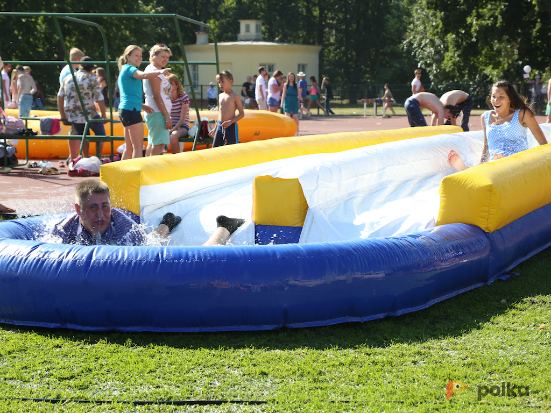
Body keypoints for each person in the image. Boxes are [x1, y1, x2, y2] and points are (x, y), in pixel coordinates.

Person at [51, 180, 244, 246]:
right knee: (154, 237)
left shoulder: (124, 225)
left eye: (105, 206)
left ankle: (224, 228)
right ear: (78, 210)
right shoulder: (63, 228)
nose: (101, 214)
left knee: (156, 242)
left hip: (140, 246)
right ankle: (166, 222)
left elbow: (145, 258)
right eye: (93, 208)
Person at [448, 80, 548, 172]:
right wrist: (482, 162)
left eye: (501, 96)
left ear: (510, 99)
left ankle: (469, 169)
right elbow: (487, 146)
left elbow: (543, 143)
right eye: (493, 96)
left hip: (518, 163)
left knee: (498, 163)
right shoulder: (486, 117)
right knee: (491, 164)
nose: (496, 100)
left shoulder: (522, 114)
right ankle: (470, 169)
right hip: (494, 162)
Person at [117, 45, 171, 160]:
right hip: (131, 110)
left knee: (129, 146)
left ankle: (122, 174)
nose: (139, 58)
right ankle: (136, 175)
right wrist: (160, 72)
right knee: (137, 147)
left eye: (141, 56)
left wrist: (141, 105)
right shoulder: (131, 69)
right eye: (136, 55)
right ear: (128, 57)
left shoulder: (124, 69)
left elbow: (127, 94)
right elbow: (144, 75)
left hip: (126, 109)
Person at [57, 57, 107, 159]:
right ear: (92, 68)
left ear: (80, 65)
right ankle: (98, 158)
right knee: (101, 134)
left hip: (74, 115)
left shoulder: (68, 78)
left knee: (83, 136)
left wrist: (63, 115)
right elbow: (99, 98)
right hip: (89, 114)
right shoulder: (92, 78)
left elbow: (60, 96)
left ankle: (86, 158)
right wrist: (104, 115)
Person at [143, 45, 173, 157]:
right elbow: (156, 95)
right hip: (158, 112)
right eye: (163, 56)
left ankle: (148, 169)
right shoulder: (154, 71)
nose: (165, 59)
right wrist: (166, 115)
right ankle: (153, 171)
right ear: (154, 56)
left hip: (156, 111)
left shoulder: (155, 71)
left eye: (167, 57)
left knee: (153, 143)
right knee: (158, 144)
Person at [209, 71, 244, 147]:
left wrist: (230, 122)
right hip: (219, 126)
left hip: (231, 126)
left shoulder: (235, 96)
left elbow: (242, 114)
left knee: (233, 149)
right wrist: (215, 128)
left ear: (230, 82)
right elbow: (220, 113)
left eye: (223, 82)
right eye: (219, 82)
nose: (220, 84)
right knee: (215, 149)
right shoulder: (220, 96)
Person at [166, 74, 191, 154]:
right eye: (167, 83)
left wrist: (173, 129)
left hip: (182, 127)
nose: (168, 85)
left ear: (177, 85)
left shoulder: (183, 97)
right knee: (158, 135)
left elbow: (182, 119)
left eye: (171, 83)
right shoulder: (166, 98)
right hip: (171, 126)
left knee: (173, 136)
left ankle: (176, 161)